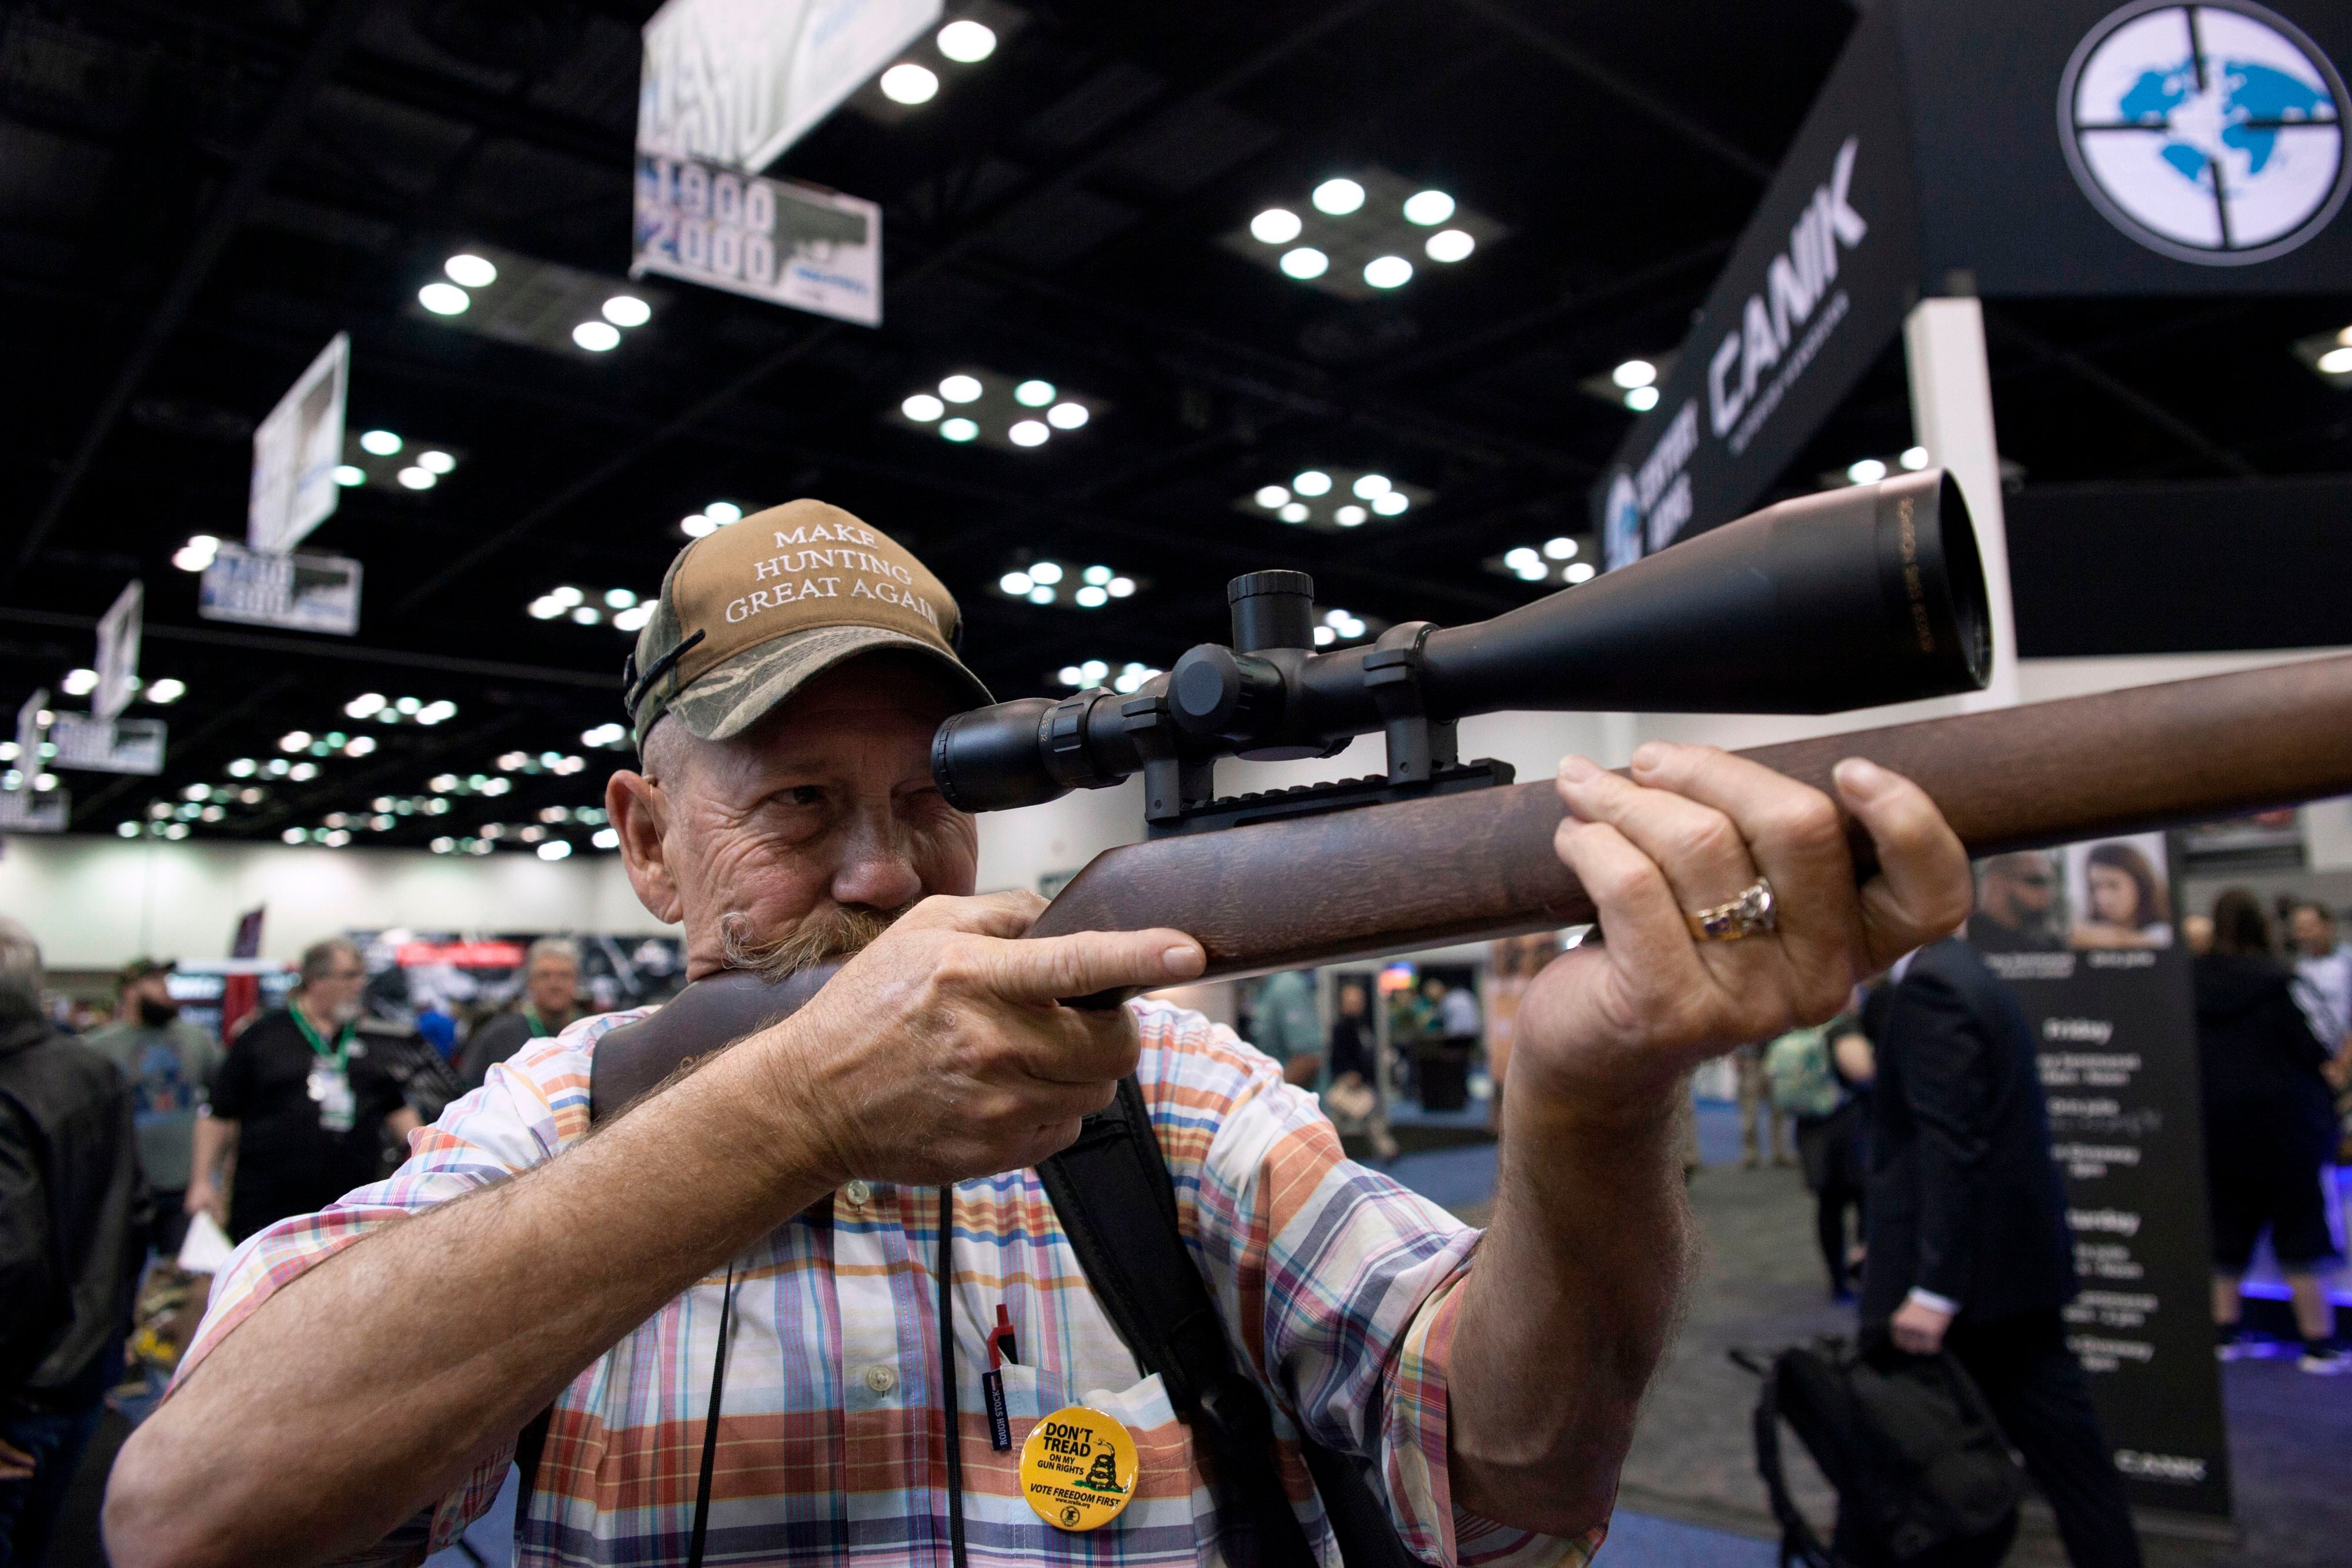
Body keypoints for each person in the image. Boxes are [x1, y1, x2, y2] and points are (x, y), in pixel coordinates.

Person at [105, 501, 1974, 1568]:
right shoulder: (564, 1115)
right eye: (794, 804)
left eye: (933, 799)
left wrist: (1584, 1091)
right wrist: (796, 1114)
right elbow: (189, 1513)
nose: (882, 868)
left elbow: (1513, 1488)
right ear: (648, 839)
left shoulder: (1161, 1090)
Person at [1860, 934, 2143, 1568]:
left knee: (1909, 1458)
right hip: (2002, 1276)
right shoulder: (1960, 973)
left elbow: (1950, 1146)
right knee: (2071, 1467)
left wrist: (1933, 1287)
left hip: (1977, 1291)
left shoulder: (1932, 988)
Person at [0, 918, 148, 1566]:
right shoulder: (95, 1069)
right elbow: (135, 1215)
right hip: (83, 1375)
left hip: (18, 1392)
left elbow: (11, 1261)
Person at [2195, 891, 2348, 1373]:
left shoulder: (2190, 983)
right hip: (2287, 1127)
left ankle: (2225, 1332)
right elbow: (2312, 1047)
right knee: (2302, 1229)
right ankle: (2319, 1341)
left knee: (2226, 1231)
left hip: (2218, 1125)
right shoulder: (2280, 980)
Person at [185, 939, 419, 1244]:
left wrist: (431, 1157)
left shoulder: (371, 1039)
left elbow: (397, 1110)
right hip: (268, 1204)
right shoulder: (263, 1036)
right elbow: (218, 1114)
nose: (360, 984)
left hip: (350, 1206)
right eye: (350, 975)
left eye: (362, 974)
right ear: (316, 980)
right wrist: (202, 1181)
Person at [82, 958, 222, 1260]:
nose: (166, 990)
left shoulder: (195, 1040)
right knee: (120, 1281)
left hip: (184, 1184)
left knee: (183, 1281)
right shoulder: (98, 1049)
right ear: (131, 991)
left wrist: (213, 1178)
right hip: (124, 1188)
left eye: (167, 982)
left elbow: (225, 1108)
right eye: (156, 982)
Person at [1766, 1019, 1868, 1302]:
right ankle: (1859, 1273)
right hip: (1848, 1128)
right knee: (1863, 1204)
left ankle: (1838, 1281)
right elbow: (1863, 1072)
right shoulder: (1842, 1030)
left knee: (1828, 1206)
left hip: (1811, 1130)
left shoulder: (1802, 1027)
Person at [458, 938, 584, 1091]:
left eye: (564, 975)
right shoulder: (498, 1036)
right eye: (545, 975)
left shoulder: (592, 1033)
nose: (555, 984)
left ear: (576, 980)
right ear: (530, 981)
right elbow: (468, 1091)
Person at [2069, 841, 2171, 951]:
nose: (2103, 899)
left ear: (2140, 884)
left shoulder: (2165, 931)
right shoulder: (2087, 928)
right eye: (2095, 887)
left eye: (2113, 886)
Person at [2286, 900, 2352, 1052]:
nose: (2303, 935)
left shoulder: (2347, 961)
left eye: (2308, 928)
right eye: (2298, 929)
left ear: (2327, 926)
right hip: (2312, 1055)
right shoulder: (2296, 970)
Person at [1966, 851, 2064, 953]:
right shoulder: (1966, 939)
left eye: (2050, 883)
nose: (2046, 892)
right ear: (1998, 883)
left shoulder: (2049, 946)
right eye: (2036, 881)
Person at [1247, 969, 1324, 1089]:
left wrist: (1270, 1101)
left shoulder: (1286, 987)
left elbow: (1307, 1058)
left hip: (1291, 1103)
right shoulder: (1266, 988)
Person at [1733, 1039, 1794, 1168]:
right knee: (1749, 1113)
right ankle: (1750, 1155)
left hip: (1776, 1057)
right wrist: (1737, 1058)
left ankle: (1780, 1153)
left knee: (1779, 1111)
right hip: (1751, 1062)